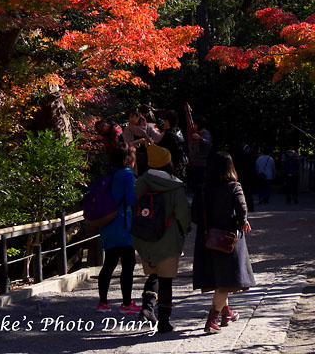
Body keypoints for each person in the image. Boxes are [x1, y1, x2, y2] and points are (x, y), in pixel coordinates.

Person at [191, 152, 255, 334]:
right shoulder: (234, 186)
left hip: (207, 239)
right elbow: (242, 208)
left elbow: (194, 215)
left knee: (219, 278)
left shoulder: (202, 188)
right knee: (225, 282)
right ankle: (211, 321)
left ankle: (227, 313)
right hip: (228, 240)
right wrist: (242, 222)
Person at [133, 145, 191, 333]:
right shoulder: (175, 186)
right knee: (166, 281)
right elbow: (183, 213)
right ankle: (164, 321)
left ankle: (147, 308)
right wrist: (185, 229)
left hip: (144, 238)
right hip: (168, 239)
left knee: (153, 274)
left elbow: (131, 206)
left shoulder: (141, 182)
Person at [97, 143, 140, 314]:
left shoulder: (111, 173)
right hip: (122, 224)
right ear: (126, 158)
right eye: (133, 155)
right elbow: (130, 199)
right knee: (129, 263)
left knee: (109, 263)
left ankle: (102, 302)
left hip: (107, 224)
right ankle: (127, 303)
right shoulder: (127, 174)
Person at [185, 114, 212, 193]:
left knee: (201, 188)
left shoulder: (206, 134)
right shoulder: (195, 134)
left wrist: (199, 138)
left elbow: (208, 145)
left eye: (195, 124)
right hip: (193, 165)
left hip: (201, 166)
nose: (193, 126)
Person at [230, 137, 257, 212]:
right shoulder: (248, 151)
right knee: (247, 193)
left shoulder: (247, 152)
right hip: (247, 175)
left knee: (246, 193)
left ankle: (249, 208)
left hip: (245, 175)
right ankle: (249, 207)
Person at [158, 109, 186, 178]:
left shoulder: (168, 135)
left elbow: (160, 150)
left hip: (172, 169)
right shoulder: (178, 131)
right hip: (181, 166)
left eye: (164, 120)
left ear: (167, 121)